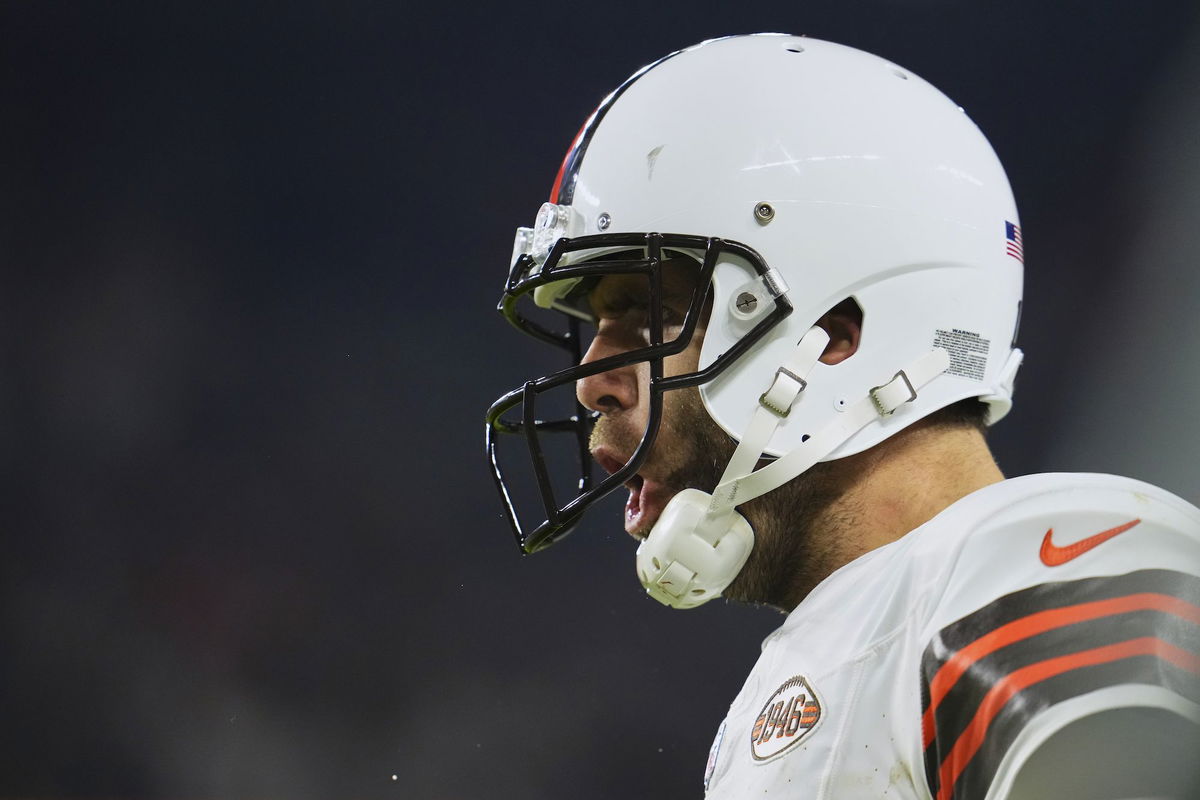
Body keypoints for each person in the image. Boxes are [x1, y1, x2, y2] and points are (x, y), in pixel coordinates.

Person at [485, 34, 1200, 799]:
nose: (592, 386)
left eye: (646, 310)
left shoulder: (1052, 563)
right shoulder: (813, 670)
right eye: (597, 324)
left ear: (836, 335)